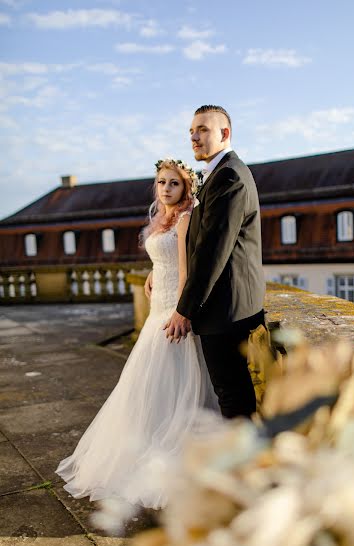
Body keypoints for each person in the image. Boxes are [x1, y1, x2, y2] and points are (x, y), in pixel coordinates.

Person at [55, 158, 219, 510]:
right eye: (162, 182)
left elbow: (187, 269)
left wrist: (181, 312)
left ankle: (168, 458)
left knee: (171, 381)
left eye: (174, 183)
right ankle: (142, 452)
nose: (166, 188)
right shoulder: (161, 218)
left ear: (185, 187)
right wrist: (152, 271)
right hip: (157, 301)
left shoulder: (187, 217)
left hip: (171, 310)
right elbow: (165, 258)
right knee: (146, 385)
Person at [165, 105, 266, 419]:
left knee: (233, 398)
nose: (194, 137)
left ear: (225, 133)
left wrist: (185, 309)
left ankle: (245, 465)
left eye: (203, 130)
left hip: (225, 310)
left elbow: (212, 252)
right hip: (223, 307)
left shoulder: (230, 176)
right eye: (192, 131)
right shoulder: (219, 174)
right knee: (230, 394)